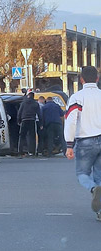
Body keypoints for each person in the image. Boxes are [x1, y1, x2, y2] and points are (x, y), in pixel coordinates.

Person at [64, 66, 101, 221]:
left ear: (81, 79)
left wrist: (69, 145)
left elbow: (71, 121)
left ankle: (93, 189)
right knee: (100, 175)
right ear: (97, 79)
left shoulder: (77, 97)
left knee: (82, 174)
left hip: (85, 140)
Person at [17, 91, 42, 158]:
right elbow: (39, 114)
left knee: (22, 136)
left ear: (28, 96)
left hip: (24, 120)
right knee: (32, 136)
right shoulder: (35, 103)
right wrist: (41, 123)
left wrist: (19, 120)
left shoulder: (23, 103)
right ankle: (32, 152)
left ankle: (20, 151)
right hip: (32, 120)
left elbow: (19, 112)